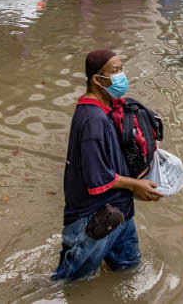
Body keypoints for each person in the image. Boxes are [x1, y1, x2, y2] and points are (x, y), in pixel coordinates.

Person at [53, 50, 163, 281]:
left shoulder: (107, 109)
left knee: (128, 271)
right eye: (115, 71)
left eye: (121, 68)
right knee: (69, 283)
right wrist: (136, 185)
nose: (121, 75)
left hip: (119, 212)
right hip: (95, 220)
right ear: (97, 79)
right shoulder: (93, 119)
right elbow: (98, 178)